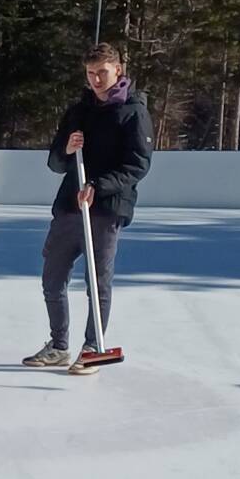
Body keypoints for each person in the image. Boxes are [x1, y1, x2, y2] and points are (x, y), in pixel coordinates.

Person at [26, 42, 153, 375]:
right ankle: (58, 346)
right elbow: (55, 162)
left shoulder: (133, 111)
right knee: (52, 279)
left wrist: (99, 187)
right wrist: (67, 149)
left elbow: (138, 165)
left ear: (118, 70)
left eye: (103, 73)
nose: (97, 80)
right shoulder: (78, 111)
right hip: (70, 205)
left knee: (97, 283)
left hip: (107, 209)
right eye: (91, 74)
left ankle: (92, 347)